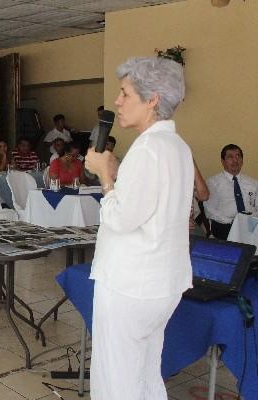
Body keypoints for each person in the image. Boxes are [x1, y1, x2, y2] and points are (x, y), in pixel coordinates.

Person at [84, 57, 193, 400]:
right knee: (145, 373)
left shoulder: (147, 149)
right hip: (162, 282)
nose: (117, 102)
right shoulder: (177, 147)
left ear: (153, 100)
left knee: (116, 379)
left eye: (125, 93)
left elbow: (121, 218)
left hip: (130, 284)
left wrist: (103, 173)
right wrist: (116, 173)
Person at [204, 144, 258, 239]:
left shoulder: (253, 182)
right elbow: (209, 210)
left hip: (250, 225)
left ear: (242, 161)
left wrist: (251, 221)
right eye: (230, 157)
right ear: (223, 161)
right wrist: (233, 222)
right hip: (225, 225)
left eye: (238, 156)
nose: (235, 160)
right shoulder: (213, 182)